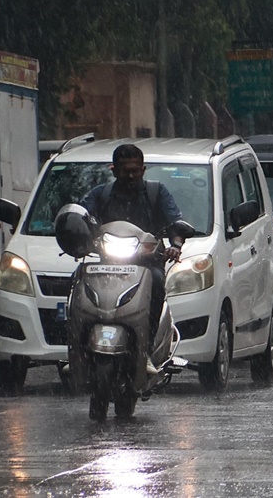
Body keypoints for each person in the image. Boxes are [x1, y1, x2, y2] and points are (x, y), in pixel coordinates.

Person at [80, 144, 185, 373]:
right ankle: (77, 352)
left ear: (143, 169)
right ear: (113, 170)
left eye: (135, 171)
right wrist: (76, 232)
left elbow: (175, 222)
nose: (130, 176)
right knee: (77, 283)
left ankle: (145, 350)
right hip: (107, 265)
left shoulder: (158, 193)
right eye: (125, 170)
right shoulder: (100, 195)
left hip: (147, 264)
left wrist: (176, 244)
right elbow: (81, 216)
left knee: (157, 283)